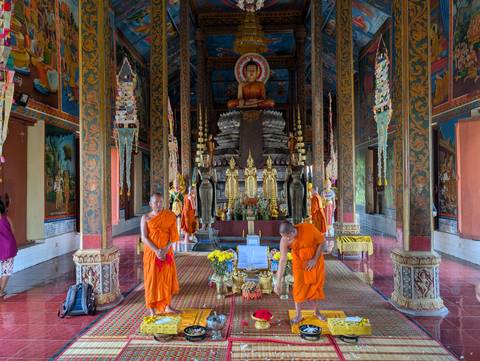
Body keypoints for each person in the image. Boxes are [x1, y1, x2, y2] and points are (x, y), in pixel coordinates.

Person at [274, 221, 326, 324]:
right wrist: (278, 282)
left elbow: (322, 242)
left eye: (288, 237)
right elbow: (282, 261)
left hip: (315, 260)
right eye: (283, 237)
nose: (286, 239)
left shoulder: (308, 228)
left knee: (314, 286)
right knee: (298, 287)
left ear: (293, 231)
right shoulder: (284, 240)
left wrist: (315, 259)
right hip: (299, 263)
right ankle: (298, 315)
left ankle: (316, 311)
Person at [140, 193, 180, 316]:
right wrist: (157, 250)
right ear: (150, 204)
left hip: (166, 252)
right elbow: (144, 237)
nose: (158, 205)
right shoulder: (145, 218)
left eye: (161, 202)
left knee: (166, 278)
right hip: (152, 253)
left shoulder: (169, 216)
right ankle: (151, 309)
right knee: (152, 279)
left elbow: (173, 236)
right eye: (156, 202)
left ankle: (168, 305)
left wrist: (165, 249)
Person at [0, 200, 17, 298]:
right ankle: (1, 291)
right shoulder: (7, 218)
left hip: (2, 246)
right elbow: (13, 230)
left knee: (4, 269)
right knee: (6, 269)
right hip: (9, 246)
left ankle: (1, 290)